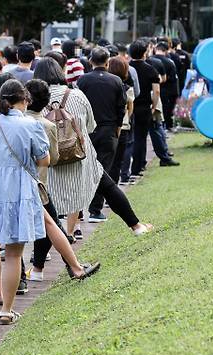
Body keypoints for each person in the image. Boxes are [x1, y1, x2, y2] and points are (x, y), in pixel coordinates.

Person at [35, 57, 154, 237]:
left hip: (51, 163)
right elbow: (91, 126)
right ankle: (136, 226)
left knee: (48, 209)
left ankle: (40, 260)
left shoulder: (34, 102)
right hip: (83, 158)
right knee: (109, 188)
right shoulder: (76, 95)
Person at [0, 79, 50, 325]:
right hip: (19, 190)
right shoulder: (31, 125)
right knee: (14, 254)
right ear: (24, 99)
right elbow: (44, 159)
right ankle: (6, 309)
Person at [24, 79, 101, 281]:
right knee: (53, 224)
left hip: (11, 184)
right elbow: (51, 159)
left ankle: (36, 272)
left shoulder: (12, 122)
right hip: (37, 184)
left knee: (43, 226)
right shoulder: (46, 125)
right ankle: (74, 268)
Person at [77, 47, 127, 223]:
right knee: (103, 169)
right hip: (108, 129)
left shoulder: (82, 81)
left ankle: (78, 210)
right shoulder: (116, 81)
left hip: (87, 129)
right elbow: (121, 108)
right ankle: (95, 209)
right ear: (107, 62)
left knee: (84, 168)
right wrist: (118, 129)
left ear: (90, 61)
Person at [129, 40, 178, 177]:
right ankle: (137, 167)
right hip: (145, 106)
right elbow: (156, 91)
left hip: (129, 106)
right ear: (145, 53)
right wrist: (154, 106)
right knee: (141, 138)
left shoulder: (126, 67)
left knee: (130, 138)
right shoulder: (150, 69)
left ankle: (126, 168)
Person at [105, 57, 136, 186]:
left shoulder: (104, 85)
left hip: (105, 125)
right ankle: (113, 188)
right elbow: (130, 108)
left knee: (105, 161)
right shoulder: (127, 88)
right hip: (122, 126)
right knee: (117, 161)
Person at [152, 41, 179, 131]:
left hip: (151, 90)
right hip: (167, 91)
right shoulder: (170, 62)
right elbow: (173, 78)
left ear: (155, 49)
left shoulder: (150, 60)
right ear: (166, 51)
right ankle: (166, 126)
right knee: (166, 110)